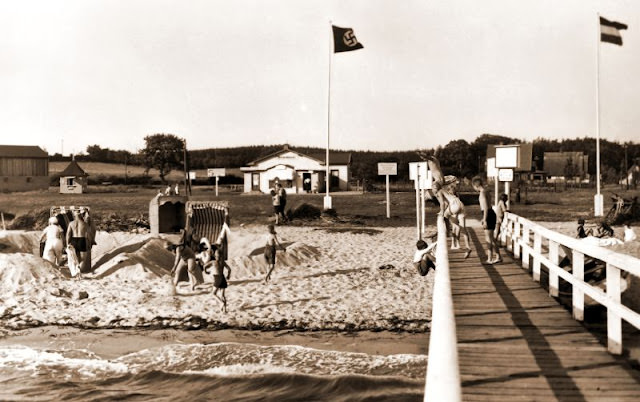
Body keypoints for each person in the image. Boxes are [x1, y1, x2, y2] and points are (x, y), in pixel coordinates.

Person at [471, 177, 501, 264]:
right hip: (492, 213)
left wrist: (484, 219)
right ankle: (498, 256)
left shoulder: (482, 194)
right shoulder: (486, 191)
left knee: (488, 238)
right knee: (492, 238)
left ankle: (490, 258)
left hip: (488, 215)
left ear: (475, 185)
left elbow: (485, 208)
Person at [208, 244, 232, 313]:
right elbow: (229, 269)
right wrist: (228, 276)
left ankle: (220, 302)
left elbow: (205, 266)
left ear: (215, 256)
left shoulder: (213, 262)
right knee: (223, 295)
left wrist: (206, 271)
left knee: (213, 293)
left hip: (217, 279)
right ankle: (224, 310)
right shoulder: (223, 262)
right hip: (223, 278)